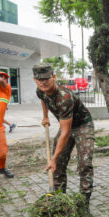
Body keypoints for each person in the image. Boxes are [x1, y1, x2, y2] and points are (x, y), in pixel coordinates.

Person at [33, 63, 95, 209]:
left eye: (47, 78)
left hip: (82, 126)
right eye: (39, 79)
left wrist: (52, 158)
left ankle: (83, 203)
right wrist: (45, 116)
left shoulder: (64, 97)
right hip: (66, 126)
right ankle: (60, 199)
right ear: (35, 79)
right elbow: (43, 99)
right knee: (59, 165)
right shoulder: (40, 90)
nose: (43, 82)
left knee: (85, 163)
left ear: (53, 77)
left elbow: (66, 132)